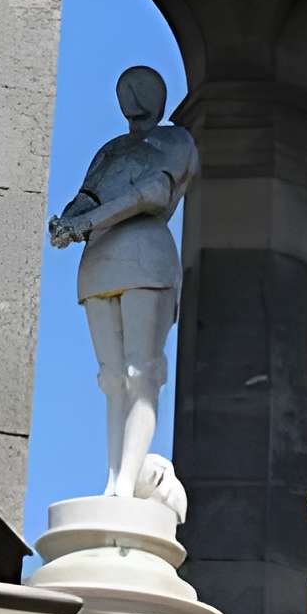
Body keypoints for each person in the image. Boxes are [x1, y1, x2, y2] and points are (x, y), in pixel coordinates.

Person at [49, 66, 197, 498]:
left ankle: (125, 486)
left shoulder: (175, 139)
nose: (133, 94)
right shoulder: (110, 149)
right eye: (127, 88)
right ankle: (114, 480)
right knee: (111, 377)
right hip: (99, 262)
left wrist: (90, 221)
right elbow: (88, 194)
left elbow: (154, 194)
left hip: (145, 257)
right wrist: (68, 221)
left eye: (142, 87)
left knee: (140, 371)